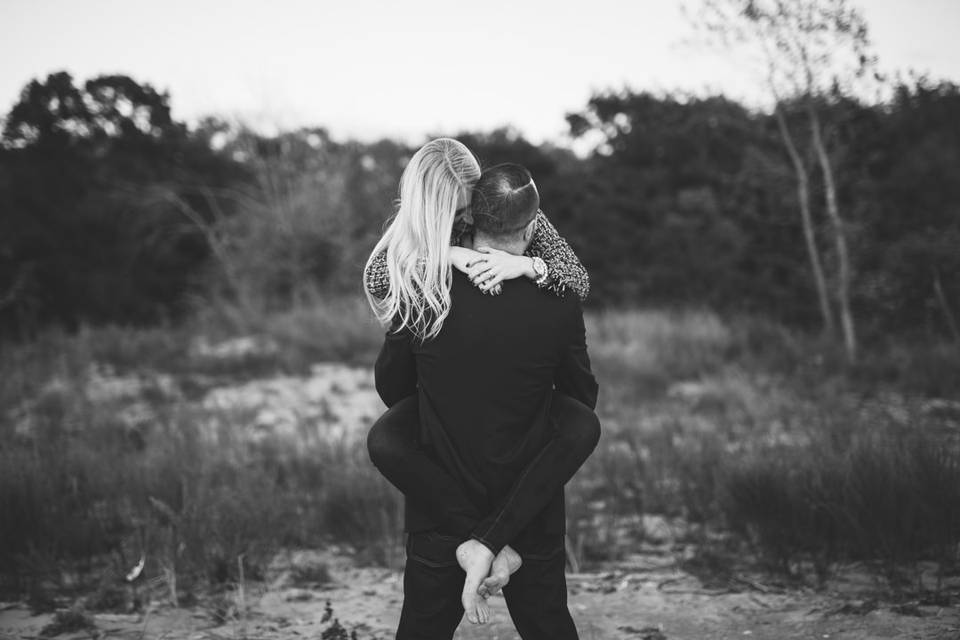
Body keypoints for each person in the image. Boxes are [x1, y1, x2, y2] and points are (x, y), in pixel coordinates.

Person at [363, 139, 599, 636]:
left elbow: (393, 387)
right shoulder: (422, 264)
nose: (461, 219)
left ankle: (481, 539)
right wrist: (443, 255)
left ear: (478, 202)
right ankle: (495, 541)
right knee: (549, 624)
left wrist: (529, 266)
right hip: (528, 505)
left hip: (443, 502)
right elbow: (580, 393)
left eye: (467, 210)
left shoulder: (425, 290)